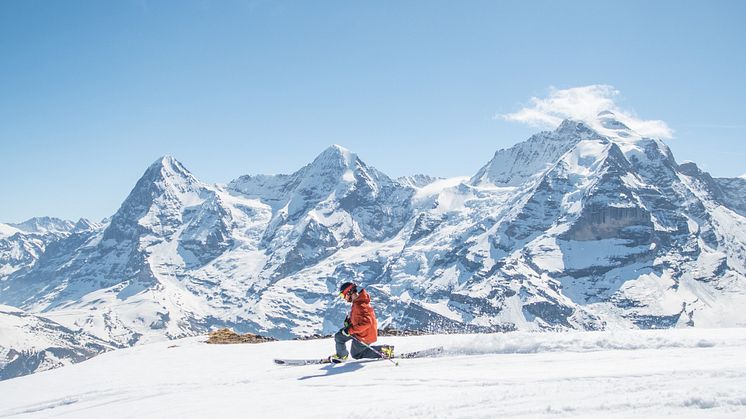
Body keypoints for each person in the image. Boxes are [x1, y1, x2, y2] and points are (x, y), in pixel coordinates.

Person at [328, 282, 394, 363]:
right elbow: (359, 318)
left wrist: (349, 330)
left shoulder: (361, 305)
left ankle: (385, 350)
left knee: (356, 354)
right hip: (359, 331)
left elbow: (367, 323)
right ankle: (342, 356)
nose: (343, 298)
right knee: (339, 336)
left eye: (343, 295)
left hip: (365, 335)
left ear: (349, 292)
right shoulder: (357, 302)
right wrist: (349, 322)